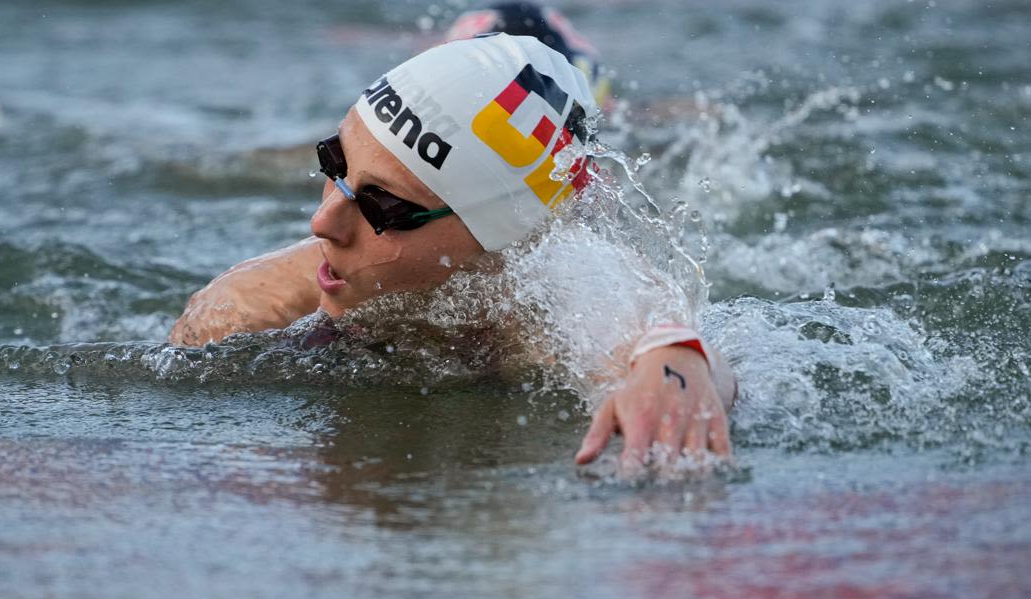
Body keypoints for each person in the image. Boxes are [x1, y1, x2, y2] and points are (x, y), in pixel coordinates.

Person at [169, 34, 736, 470]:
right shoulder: (248, 311)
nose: (323, 221)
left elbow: (656, 337)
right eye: (333, 165)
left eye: (383, 207)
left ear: (501, 244)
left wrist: (678, 365)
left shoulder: (542, 305)